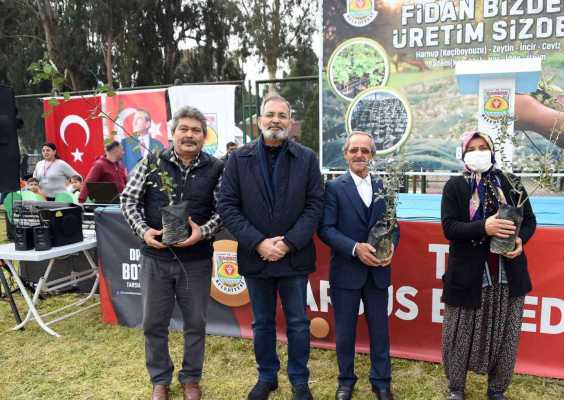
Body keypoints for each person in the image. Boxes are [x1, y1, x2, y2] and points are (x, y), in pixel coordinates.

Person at [218, 94, 323, 400]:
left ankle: (299, 381)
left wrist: (289, 242)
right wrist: (259, 242)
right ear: (259, 120)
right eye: (270, 114)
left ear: (290, 122)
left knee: (298, 323)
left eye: (282, 115)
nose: (276, 120)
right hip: (256, 256)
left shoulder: (306, 158)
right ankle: (267, 377)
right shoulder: (239, 159)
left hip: (294, 256)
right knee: (262, 322)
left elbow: (315, 205)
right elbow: (228, 205)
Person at [120, 106, 224, 400]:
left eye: (196, 130)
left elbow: (224, 210)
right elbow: (128, 199)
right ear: (172, 133)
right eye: (184, 129)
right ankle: (160, 380)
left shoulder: (216, 168)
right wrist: (144, 231)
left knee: (195, 323)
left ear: (204, 136)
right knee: (154, 323)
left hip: (197, 261)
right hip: (156, 259)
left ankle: (191, 378)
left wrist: (201, 233)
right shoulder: (152, 161)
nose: (190, 135)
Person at [440, 131, 537, 400]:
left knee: (506, 332)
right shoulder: (455, 186)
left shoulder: (511, 183)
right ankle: (456, 389)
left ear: (493, 151)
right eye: (472, 148)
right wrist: (484, 226)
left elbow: (529, 221)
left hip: (508, 272)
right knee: (460, 332)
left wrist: (520, 239)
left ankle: (497, 389)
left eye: (483, 147)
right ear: (463, 153)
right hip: (469, 274)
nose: (478, 151)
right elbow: (449, 228)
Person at [318, 131, 399, 400]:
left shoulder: (384, 188)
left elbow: (393, 226)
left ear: (372, 156)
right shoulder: (333, 188)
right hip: (346, 272)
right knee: (345, 330)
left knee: (380, 329)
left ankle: (381, 380)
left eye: (365, 151)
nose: (359, 155)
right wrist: (355, 248)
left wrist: (392, 246)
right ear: (346, 154)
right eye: (354, 150)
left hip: (378, 271)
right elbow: (326, 229)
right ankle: (345, 380)